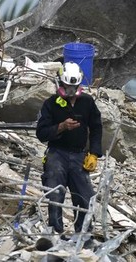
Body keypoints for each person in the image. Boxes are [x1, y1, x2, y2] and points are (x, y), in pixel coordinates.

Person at [36, 62, 103, 235]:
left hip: (79, 154)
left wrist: (94, 153)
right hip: (57, 154)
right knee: (55, 194)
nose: (71, 90)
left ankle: (83, 234)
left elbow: (96, 127)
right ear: (61, 84)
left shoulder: (87, 102)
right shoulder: (51, 104)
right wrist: (61, 127)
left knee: (84, 196)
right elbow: (41, 133)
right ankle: (55, 232)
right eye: (68, 86)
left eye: (74, 86)